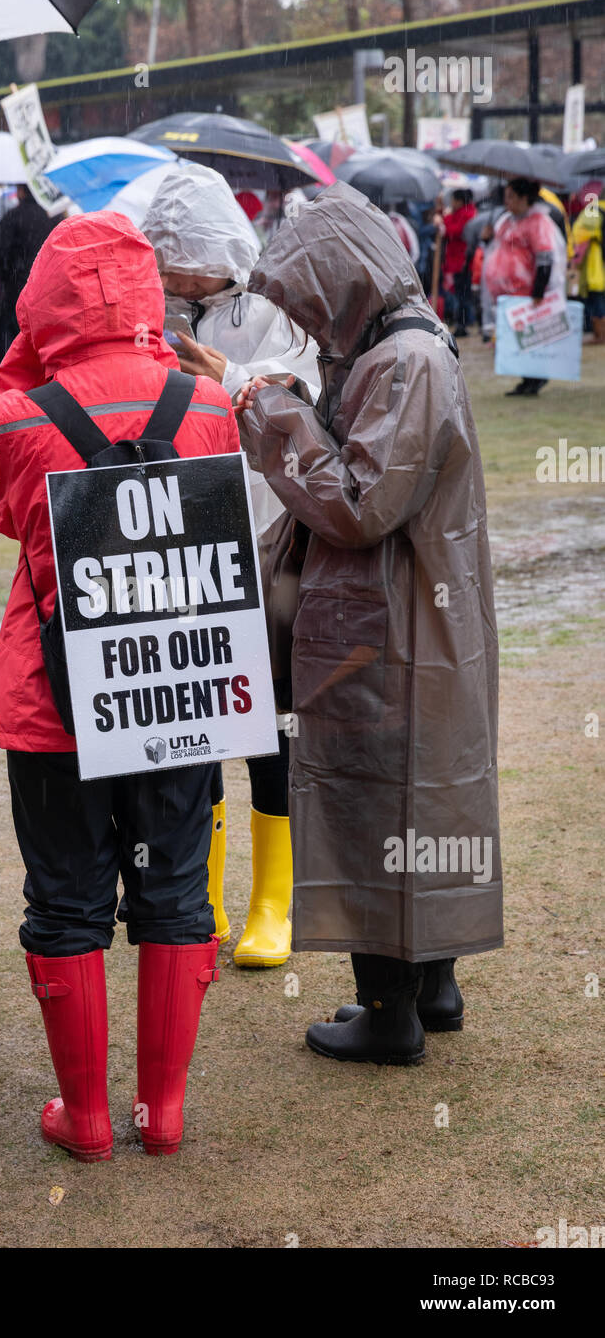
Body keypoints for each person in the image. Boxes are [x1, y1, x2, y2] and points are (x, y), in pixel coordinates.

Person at [0, 212, 239, 1160]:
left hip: (53, 702)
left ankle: (90, 1119)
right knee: (178, 889)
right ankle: (165, 1111)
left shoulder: (20, 417)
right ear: (149, 296)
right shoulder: (208, 406)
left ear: (42, 307)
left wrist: (24, 359)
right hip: (176, 696)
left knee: (66, 896)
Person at [237, 181, 503, 1065]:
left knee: (373, 794)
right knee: (425, 789)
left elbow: (356, 504)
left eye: (314, 305)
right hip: (415, 617)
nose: (311, 326)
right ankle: (432, 984)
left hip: (388, 627)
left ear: (347, 279)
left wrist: (279, 425)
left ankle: (389, 1010)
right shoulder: (405, 346)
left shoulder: (403, 362)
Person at [141, 162, 320, 968]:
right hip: (186, 544)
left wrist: (230, 378)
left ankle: (274, 899)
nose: (179, 276)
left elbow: (307, 404)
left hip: (271, 533)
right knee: (194, 713)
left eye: (191, 261)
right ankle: (200, 891)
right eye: (166, 262)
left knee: (272, 716)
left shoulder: (274, 314)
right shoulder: (148, 311)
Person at [482, 177, 566, 396]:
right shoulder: (507, 220)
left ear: (523, 197)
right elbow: (497, 249)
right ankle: (527, 378)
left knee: (526, 338)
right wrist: (487, 238)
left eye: (511, 196)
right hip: (506, 293)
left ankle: (534, 378)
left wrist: (539, 290)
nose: (507, 201)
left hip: (525, 291)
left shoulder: (538, 222)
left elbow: (545, 257)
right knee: (512, 339)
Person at [0, 183, 63, 357]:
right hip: (50, 288)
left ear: (22, 192)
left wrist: (12, 266)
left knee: (18, 338)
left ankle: (18, 380)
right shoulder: (54, 217)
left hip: (17, 288)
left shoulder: (12, 217)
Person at [437, 188, 477, 336]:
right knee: (460, 293)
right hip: (457, 260)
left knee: (463, 294)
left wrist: (443, 224)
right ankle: (462, 322)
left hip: (464, 261)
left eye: (453, 200)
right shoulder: (460, 213)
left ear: (460, 201)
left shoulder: (468, 215)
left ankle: (463, 323)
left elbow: (455, 231)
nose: (452, 203)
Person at [571, 183, 605, 344]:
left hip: (596, 263)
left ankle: (600, 335)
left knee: (596, 299)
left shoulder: (593, 211)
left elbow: (577, 235)